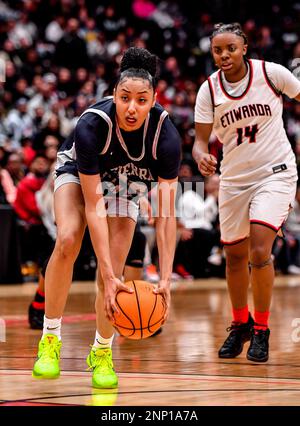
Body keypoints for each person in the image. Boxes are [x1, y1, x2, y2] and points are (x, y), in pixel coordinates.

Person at [32, 47, 181, 387]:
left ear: (154, 99)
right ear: (114, 94)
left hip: (126, 185)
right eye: (125, 97)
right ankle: (50, 340)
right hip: (83, 176)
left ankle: (101, 352)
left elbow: (168, 215)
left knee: (112, 271)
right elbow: (93, 204)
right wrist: (107, 270)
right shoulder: (91, 125)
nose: (132, 107)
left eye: (142, 100)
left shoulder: (166, 137)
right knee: (69, 239)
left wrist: (167, 278)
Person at [193, 23, 300, 362]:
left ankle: (262, 330)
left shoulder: (272, 75)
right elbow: (199, 142)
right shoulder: (208, 90)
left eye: (230, 49)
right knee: (235, 257)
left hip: (276, 172)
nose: (224, 56)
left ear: (244, 47)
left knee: (258, 249)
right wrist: (201, 157)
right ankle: (240, 324)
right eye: (217, 50)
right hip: (234, 179)